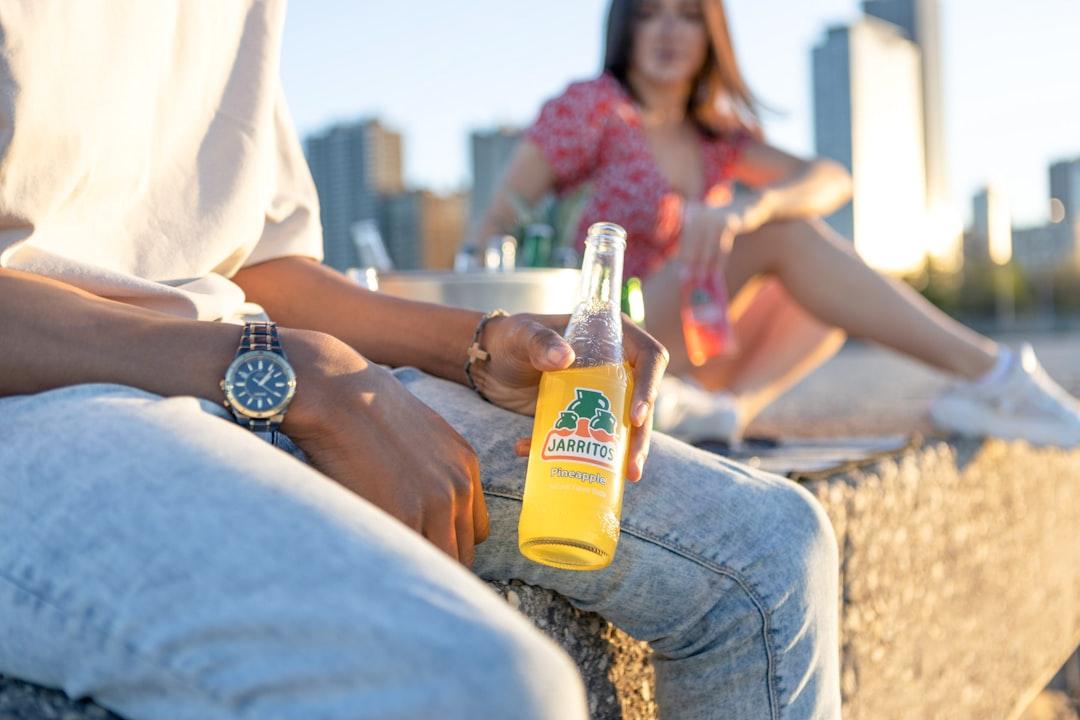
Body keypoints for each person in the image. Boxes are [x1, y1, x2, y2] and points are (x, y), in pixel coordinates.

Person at [0, 2, 841, 718]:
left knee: (770, 546)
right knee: (486, 687)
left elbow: (252, 262)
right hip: (40, 399)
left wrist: (482, 342)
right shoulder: (593, 113)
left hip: (258, 365)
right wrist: (287, 370)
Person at [474, 0, 1080, 448]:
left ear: (710, 34)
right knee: (783, 237)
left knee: (820, 281)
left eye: (686, 15)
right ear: (625, 25)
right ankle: (998, 376)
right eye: (650, 13)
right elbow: (497, 224)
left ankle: (725, 414)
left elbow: (831, 178)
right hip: (601, 332)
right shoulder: (594, 107)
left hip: (684, 338)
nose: (666, 30)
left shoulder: (716, 132)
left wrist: (750, 205)